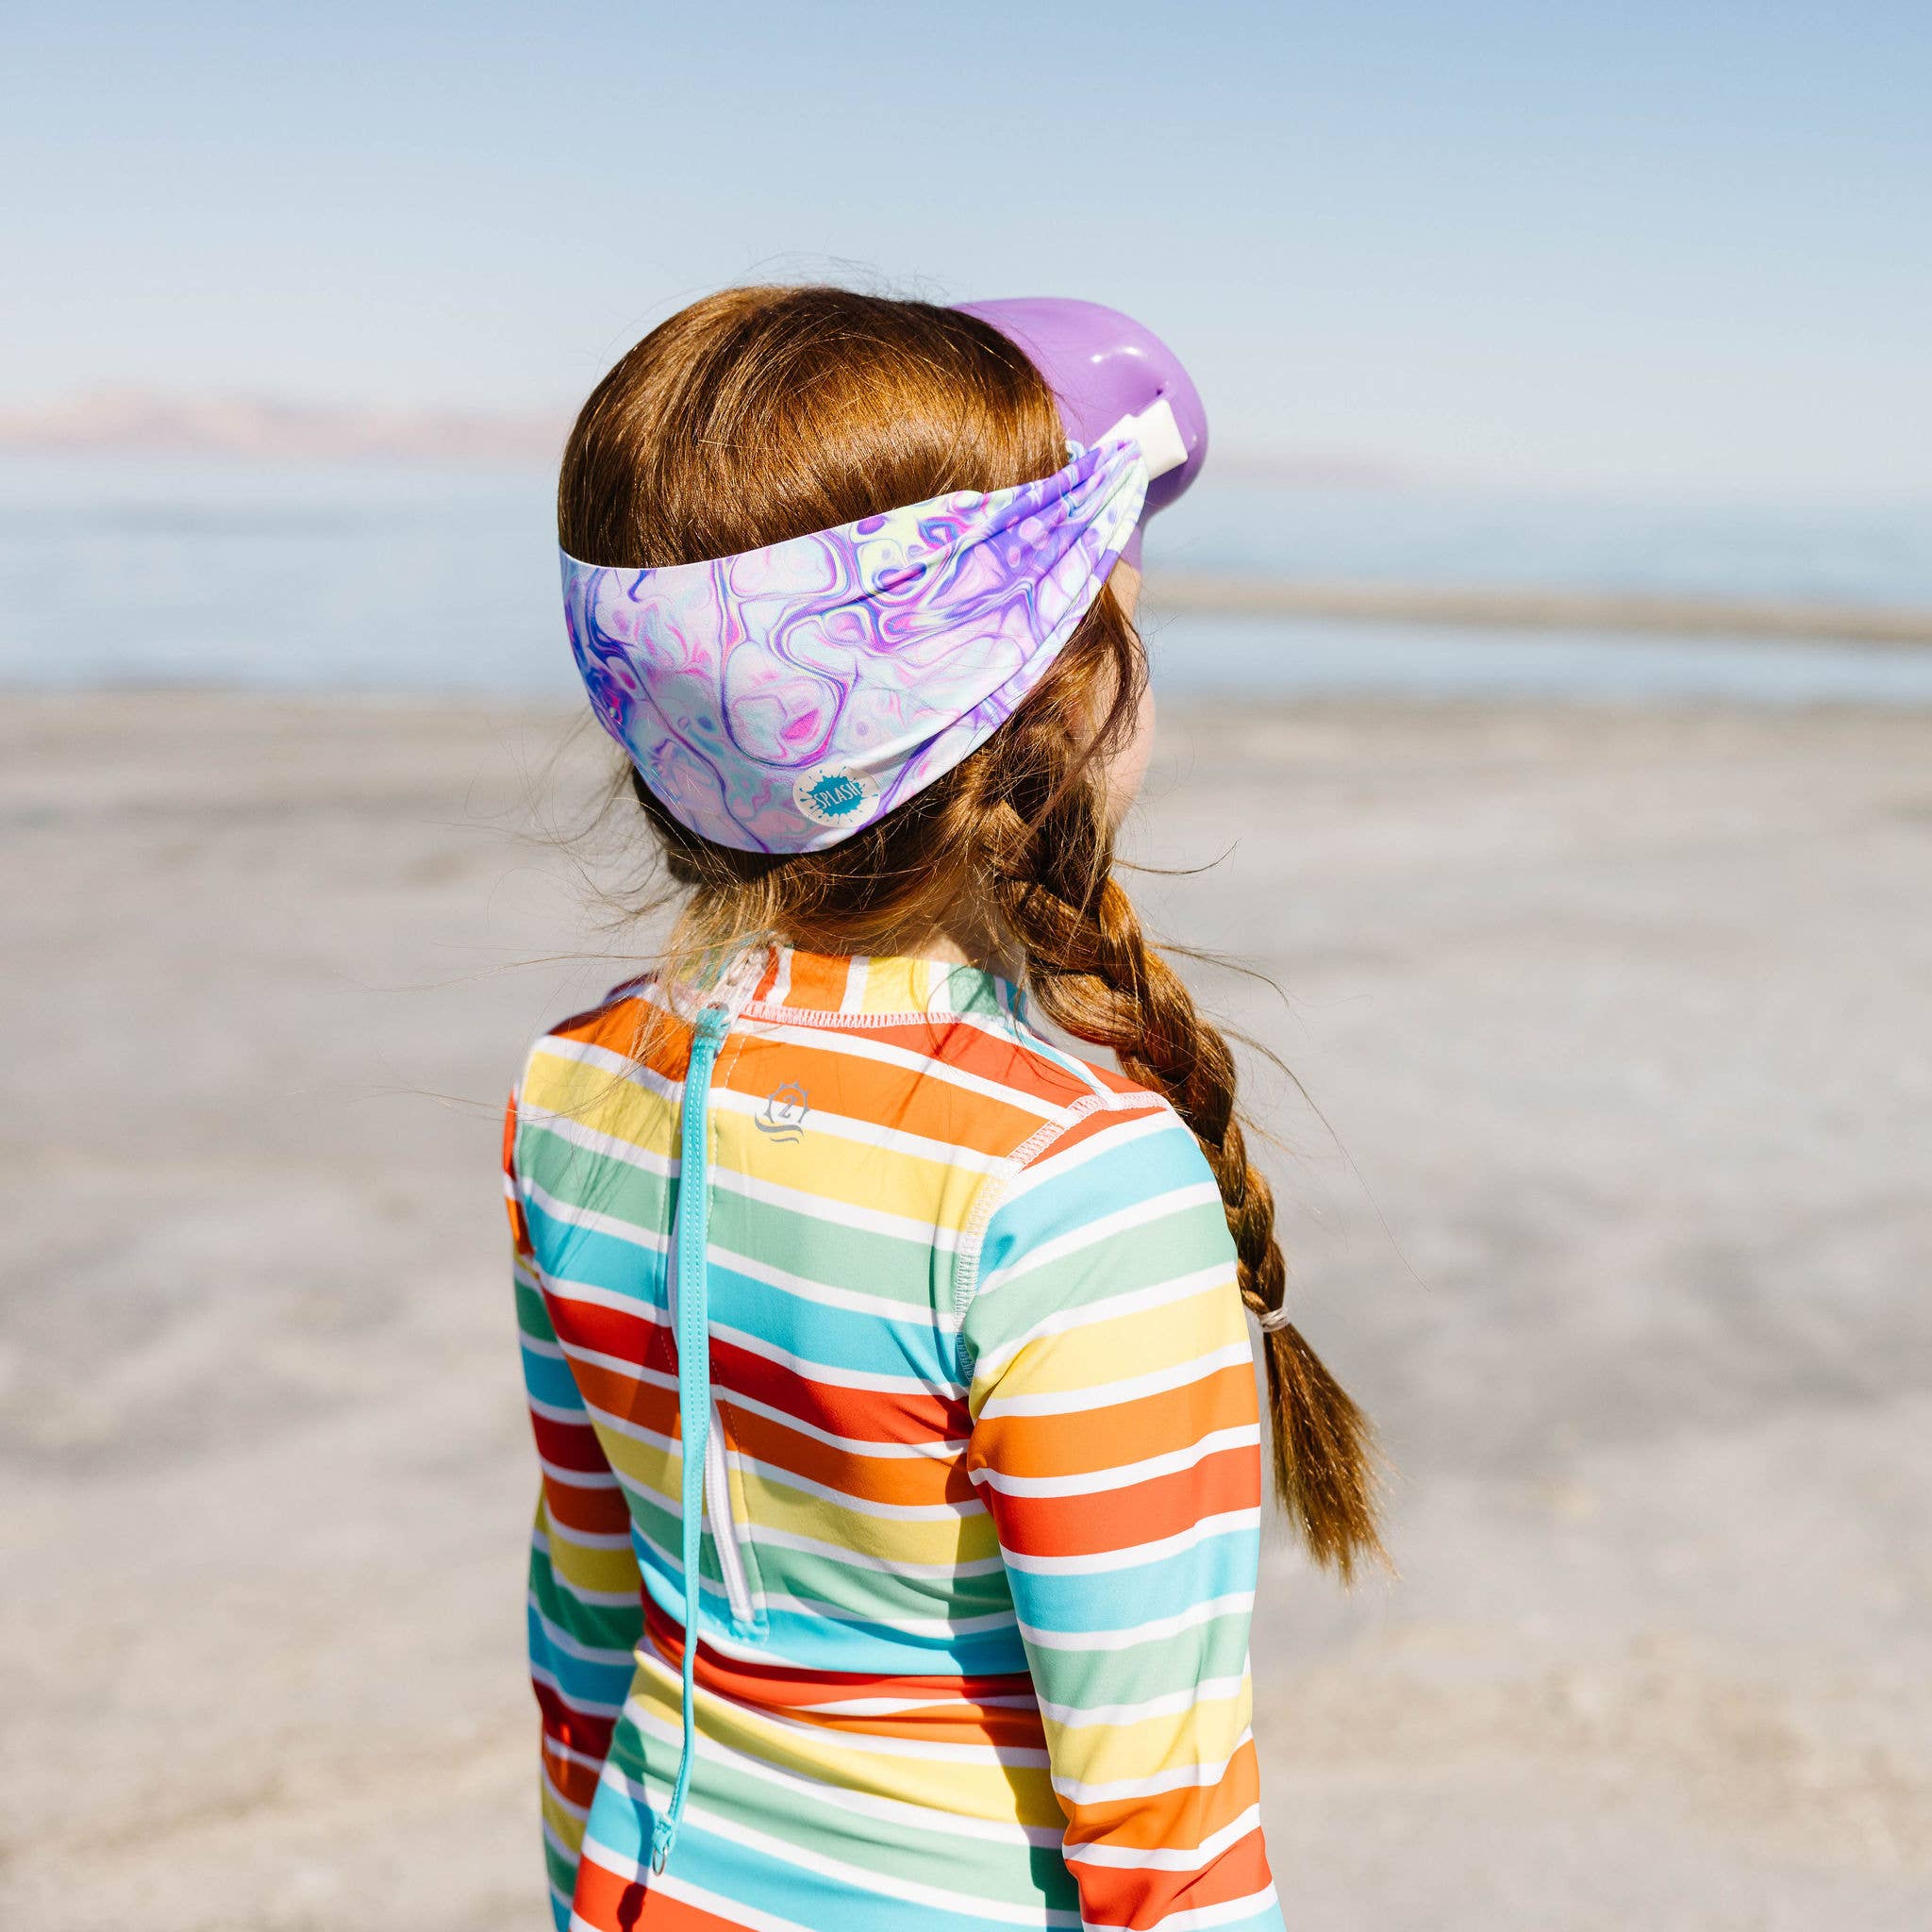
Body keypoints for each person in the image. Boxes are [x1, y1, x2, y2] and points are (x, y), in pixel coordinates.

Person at [505, 285, 1378, 1932]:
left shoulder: (574, 1083)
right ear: (1065, 698)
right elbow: (1167, 1837)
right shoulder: (1070, 1185)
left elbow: (585, 1625)